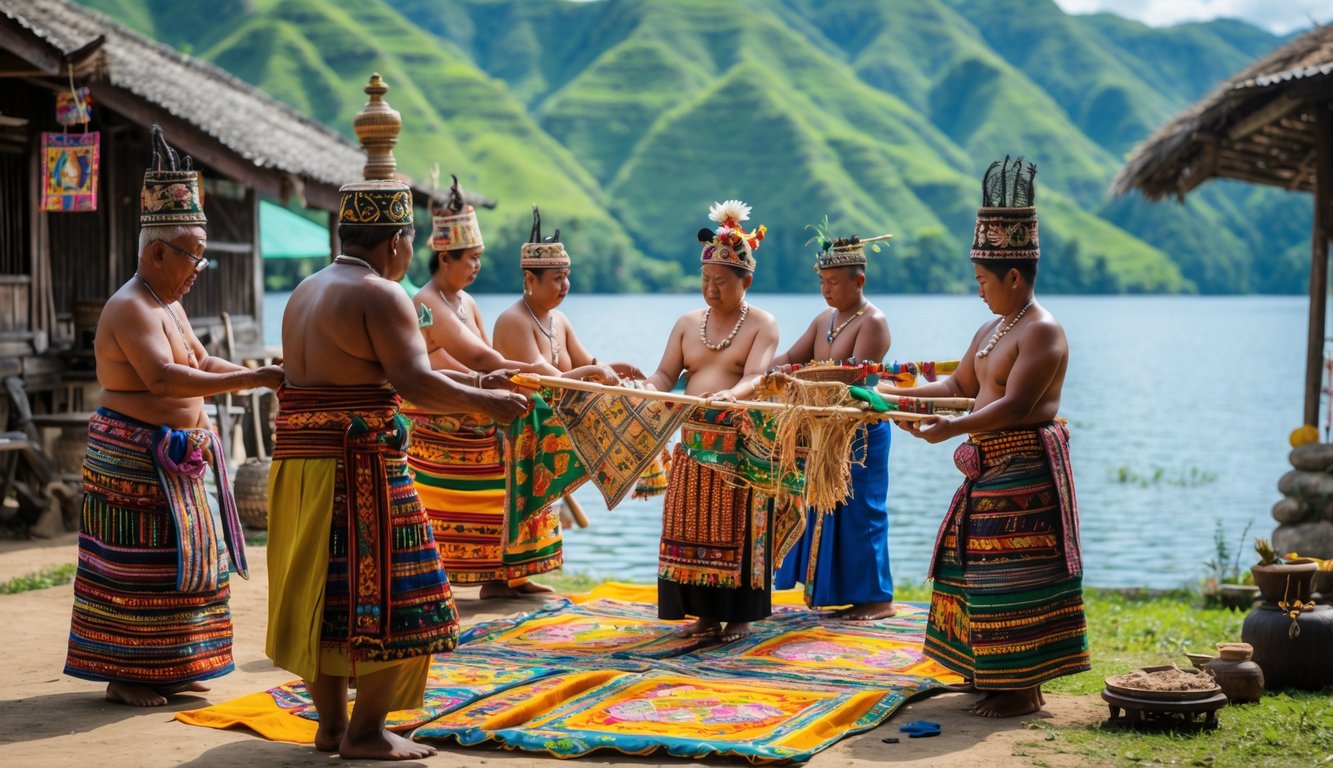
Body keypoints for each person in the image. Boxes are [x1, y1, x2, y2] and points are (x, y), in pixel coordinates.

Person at [266, 176, 529, 760]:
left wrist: (476, 381)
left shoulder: (306, 290)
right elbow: (410, 382)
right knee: (410, 592)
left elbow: (367, 373)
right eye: (410, 241)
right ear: (395, 243)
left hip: (300, 465)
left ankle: (333, 726)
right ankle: (364, 734)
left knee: (323, 596)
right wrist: (488, 404)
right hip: (361, 463)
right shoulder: (382, 293)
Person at [64, 125, 285, 707]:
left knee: (187, 563)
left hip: (182, 456)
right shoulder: (131, 306)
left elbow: (200, 359)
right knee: (139, 565)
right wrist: (255, 379)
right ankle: (127, 672)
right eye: (193, 259)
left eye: (202, 261)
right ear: (157, 252)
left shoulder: (169, 301)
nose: (197, 271)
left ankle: (173, 665)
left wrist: (249, 370)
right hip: (135, 455)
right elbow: (163, 377)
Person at [884, 157, 1089, 718]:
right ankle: (991, 674)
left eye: (983, 281)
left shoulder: (1042, 330)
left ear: (1015, 278)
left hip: (1022, 472)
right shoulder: (992, 327)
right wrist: (890, 399)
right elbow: (958, 383)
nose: (978, 291)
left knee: (1010, 575)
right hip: (987, 470)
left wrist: (949, 427)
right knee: (975, 570)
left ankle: (1021, 687)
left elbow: (1014, 406)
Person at [409, 192, 617, 598]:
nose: (476, 266)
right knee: (531, 422)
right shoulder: (426, 302)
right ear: (444, 258)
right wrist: (532, 377)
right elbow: (481, 356)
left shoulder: (466, 302)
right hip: (439, 410)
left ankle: (511, 573)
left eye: (478, 257)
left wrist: (516, 381)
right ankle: (502, 572)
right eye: (469, 258)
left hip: (469, 400)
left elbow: (489, 362)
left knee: (530, 417)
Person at [643, 200, 781, 643]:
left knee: (735, 529)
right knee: (689, 525)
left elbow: (758, 376)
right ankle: (701, 613)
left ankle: (739, 616)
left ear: (747, 282)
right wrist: (649, 389)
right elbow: (665, 374)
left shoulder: (763, 324)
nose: (711, 289)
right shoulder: (687, 324)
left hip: (738, 446)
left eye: (721, 282)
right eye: (705, 280)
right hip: (693, 443)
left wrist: (731, 395)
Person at [769, 226, 896, 621]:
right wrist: (758, 373)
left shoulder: (872, 321)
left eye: (834, 283)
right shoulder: (824, 318)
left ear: (860, 280)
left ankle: (879, 599)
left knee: (861, 513)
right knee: (828, 512)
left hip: (860, 432)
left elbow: (852, 378)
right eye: (822, 282)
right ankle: (841, 593)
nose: (827, 290)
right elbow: (791, 356)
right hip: (823, 429)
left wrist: (799, 374)